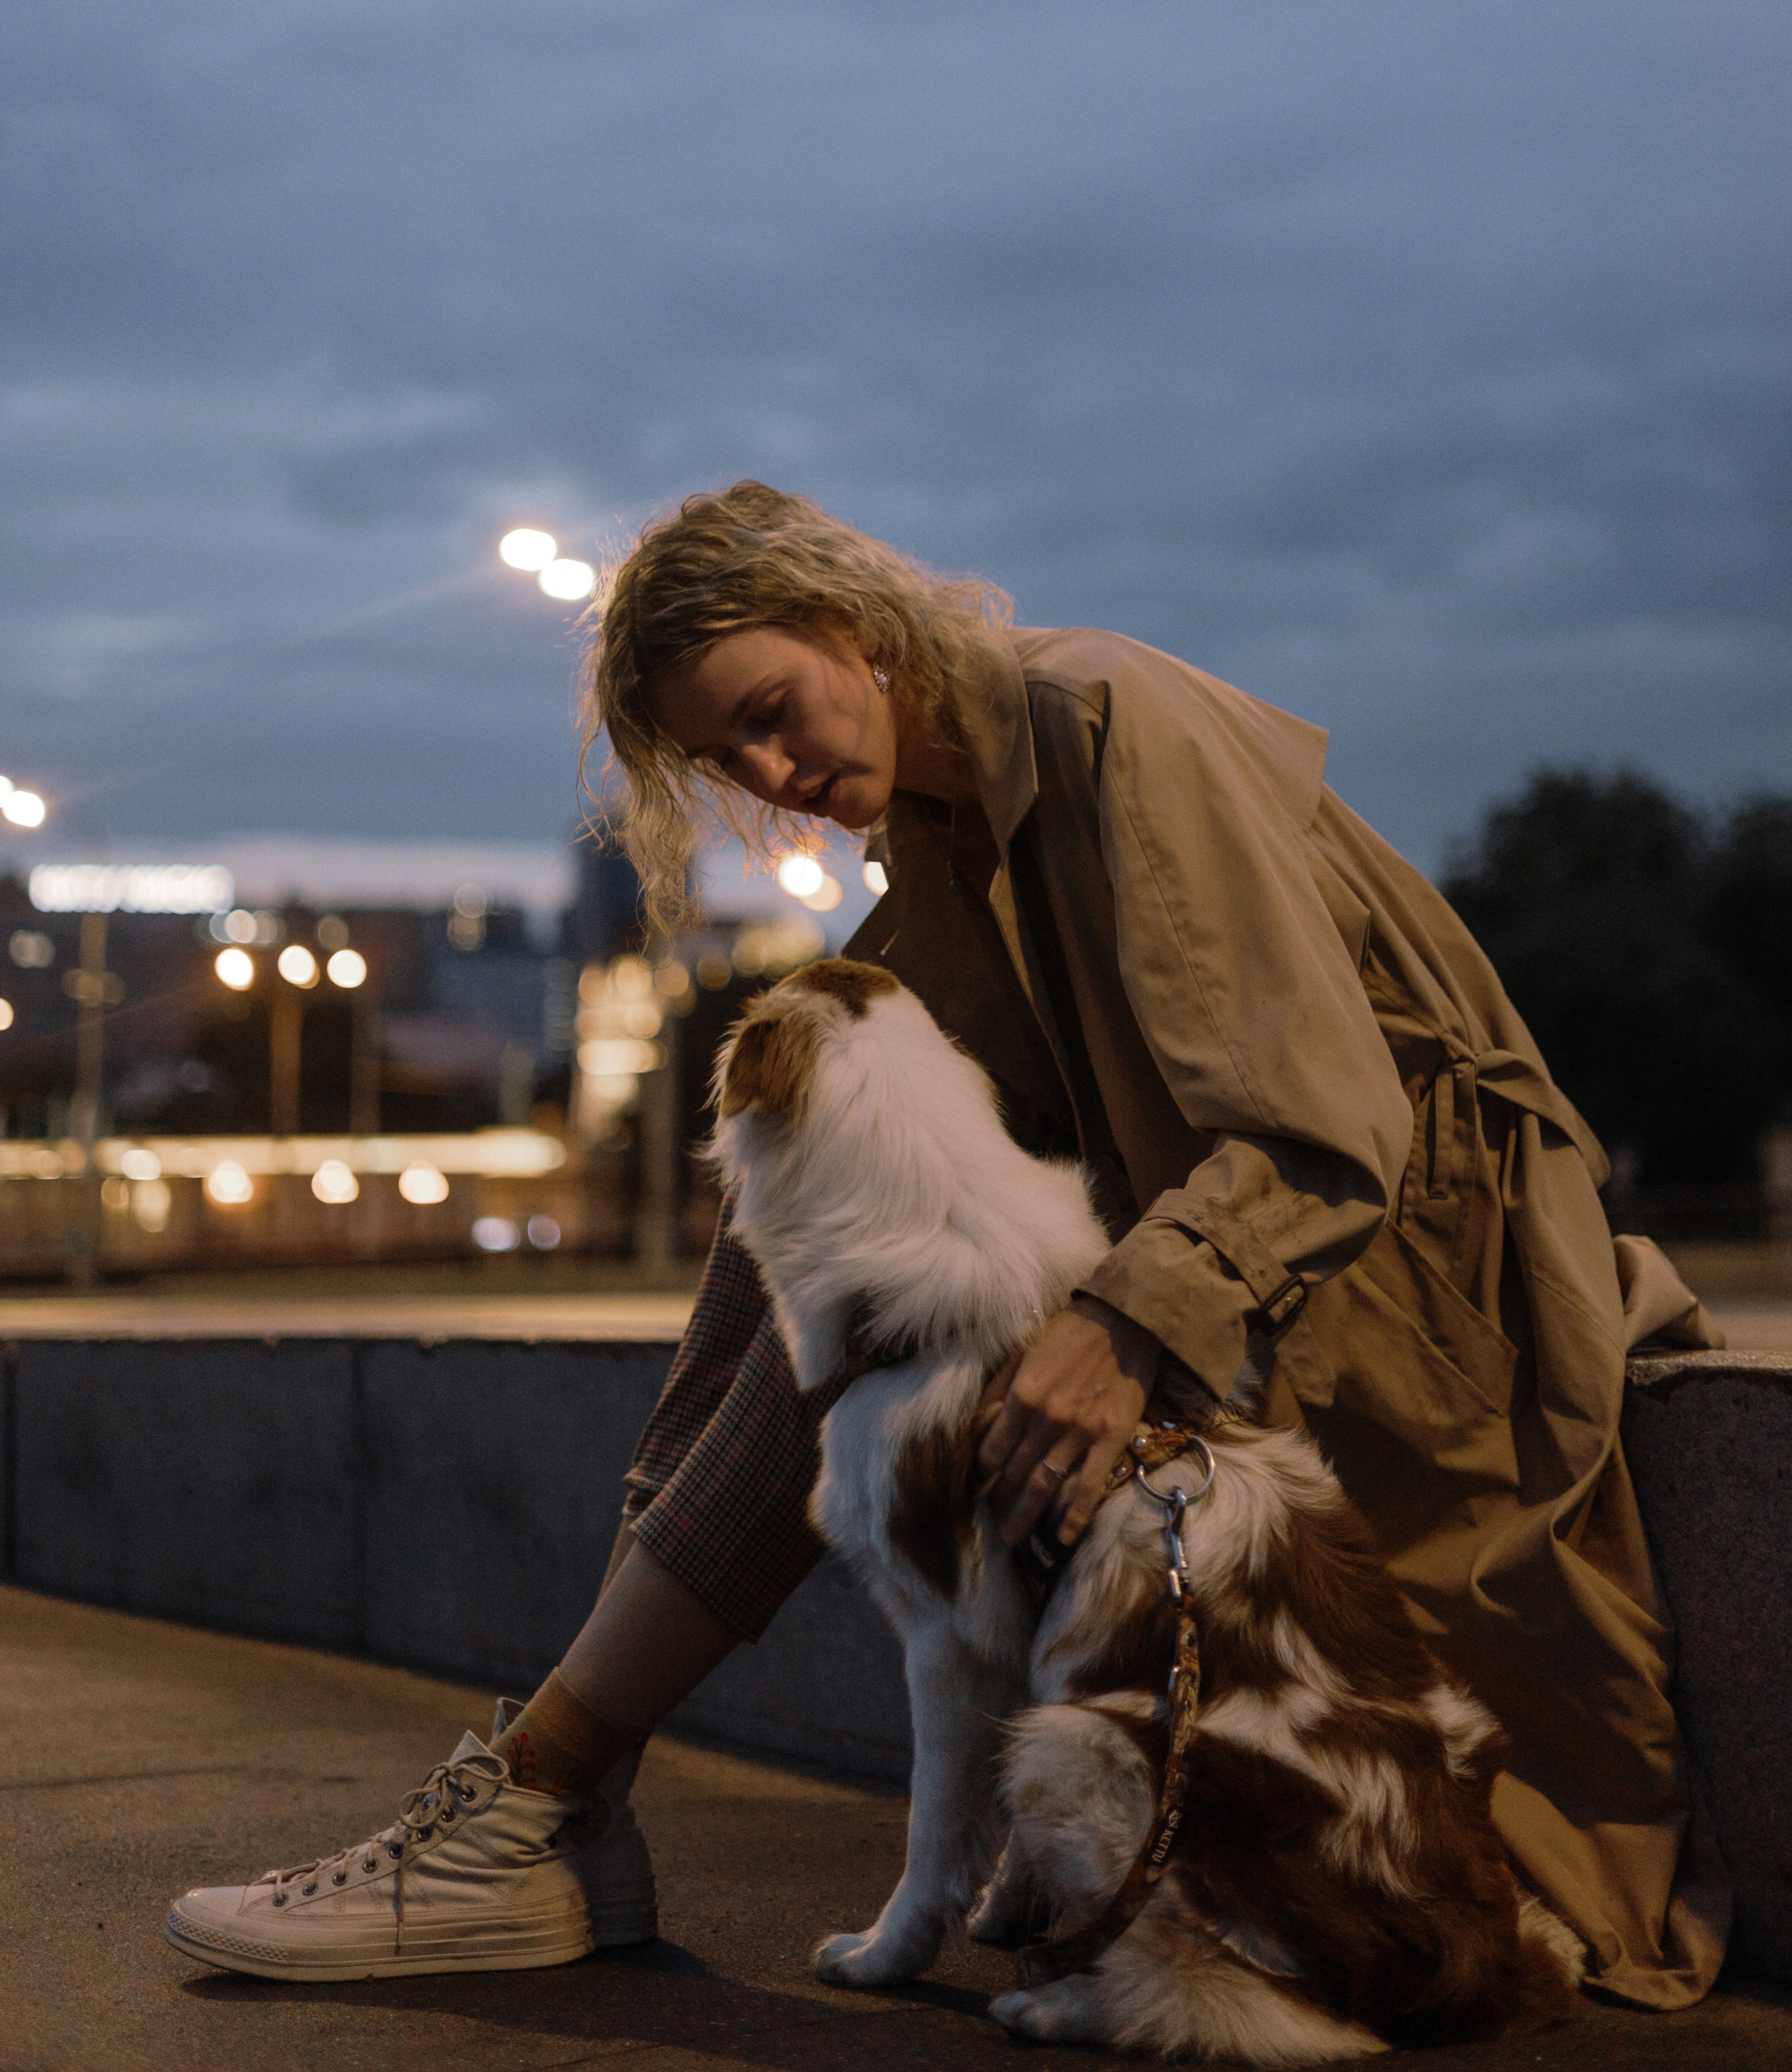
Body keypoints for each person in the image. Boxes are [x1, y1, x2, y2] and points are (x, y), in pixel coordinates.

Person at [167, 481, 1728, 2006]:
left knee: (1434, 1879)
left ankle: (544, 1799)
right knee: (833, 1304)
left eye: (774, 708)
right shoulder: (941, 840)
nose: (772, 770)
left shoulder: (1106, 720)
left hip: (1401, 1286)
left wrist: (1120, 1327)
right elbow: (805, 1223)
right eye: (726, 757)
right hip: (1245, 1266)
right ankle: (551, 1789)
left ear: (855, 623)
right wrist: (673, 1491)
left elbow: (1322, 1131)